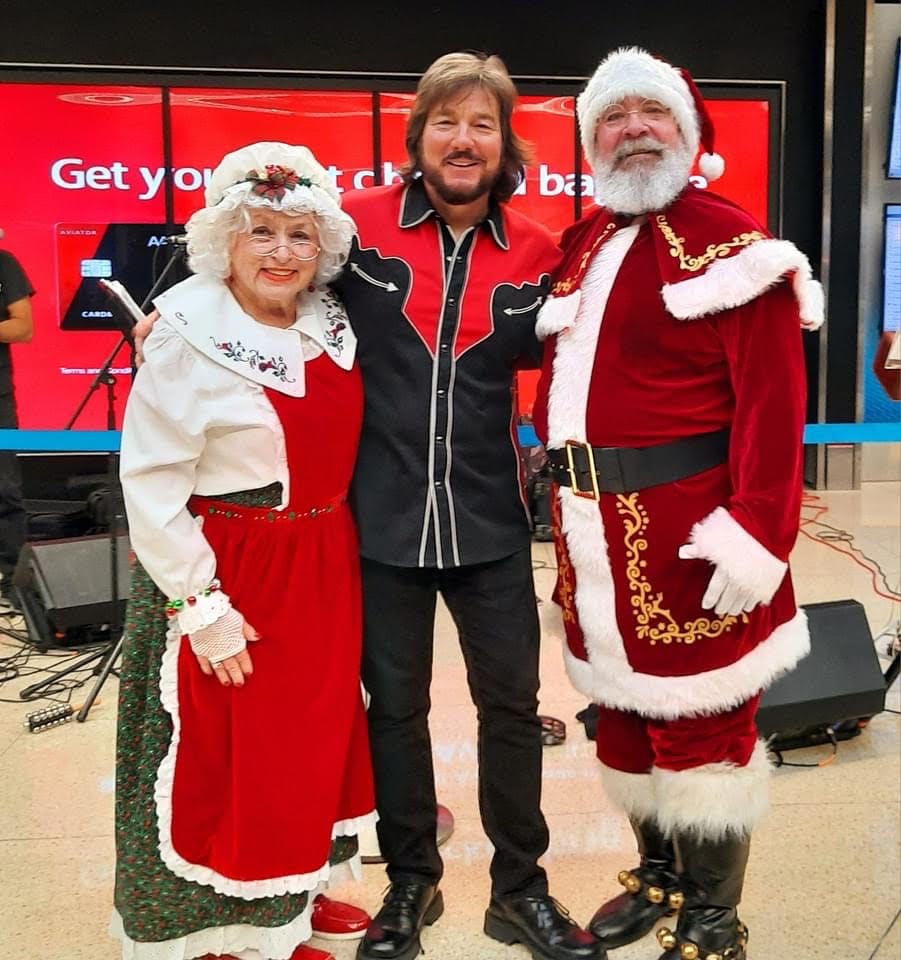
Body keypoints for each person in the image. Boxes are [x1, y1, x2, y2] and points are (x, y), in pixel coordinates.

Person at [532, 48, 824, 960]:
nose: (631, 132)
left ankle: (714, 918)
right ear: (591, 141)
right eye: (611, 119)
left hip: (688, 534)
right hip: (591, 537)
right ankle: (660, 876)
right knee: (622, 716)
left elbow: (775, 409)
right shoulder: (581, 245)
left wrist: (755, 536)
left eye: (649, 115)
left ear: (686, 133)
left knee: (704, 729)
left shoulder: (736, 247)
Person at [333, 53, 603, 960]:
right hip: (377, 518)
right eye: (446, 121)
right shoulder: (352, 230)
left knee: (512, 709)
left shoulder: (541, 248)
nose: (462, 139)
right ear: (417, 137)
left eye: (481, 124)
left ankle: (519, 891)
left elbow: (598, 351)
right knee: (394, 709)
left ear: (503, 143)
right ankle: (409, 885)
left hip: (488, 519)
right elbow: (262, 282)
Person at [115, 142, 376, 960]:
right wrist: (202, 607)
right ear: (223, 240)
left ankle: (285, 908)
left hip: (322, 561)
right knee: (223, 759)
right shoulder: (184, 335)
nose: (280, 252)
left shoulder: (330, 324)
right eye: (259, 231)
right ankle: (213, 930)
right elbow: (151, 487)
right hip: (233, 569)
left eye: (299, 234)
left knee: (305, 749)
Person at [0, 234, 33, 611]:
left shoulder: (4, 262)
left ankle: (13, 580)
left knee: (4, 490)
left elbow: (23, 328)